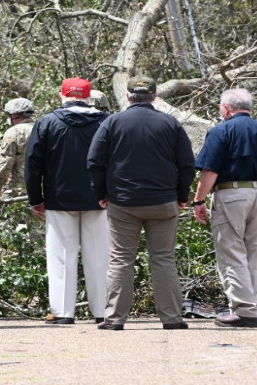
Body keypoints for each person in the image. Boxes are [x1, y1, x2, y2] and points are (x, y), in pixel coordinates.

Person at [87, 76, 196, 331]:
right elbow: (187, 164)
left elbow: (94, 161)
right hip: (163, 201)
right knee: (163, 259)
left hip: (123, 202)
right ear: (154, 96)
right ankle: (171, 318)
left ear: (127, 96)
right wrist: (182, 195)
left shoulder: (112, 122)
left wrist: (100, 193)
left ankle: (114, 319)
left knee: (121, 259)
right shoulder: (170, 123)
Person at [190, 89, 257, 328]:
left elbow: (210, 171)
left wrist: (199, 200)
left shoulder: (220, 131)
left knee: (231, 252)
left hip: (232, 193)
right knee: (253, 253)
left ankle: (246, 311)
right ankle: (247, 305)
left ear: (226, 108)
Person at [25, 78, 110, 325]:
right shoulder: (105, 122)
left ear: (62, 96)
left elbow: (33, 164)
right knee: (99, 257)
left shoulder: (47, 122)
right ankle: (103, 311)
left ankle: (63, 312)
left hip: (58, 198)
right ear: (88, 96)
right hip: (99, 198)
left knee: (61, 256)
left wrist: (35, 198)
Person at [0, 98, 35, 197]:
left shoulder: (14, 132)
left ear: (14, 115)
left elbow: (6, 161)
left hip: (19, 189)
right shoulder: (43, 128)